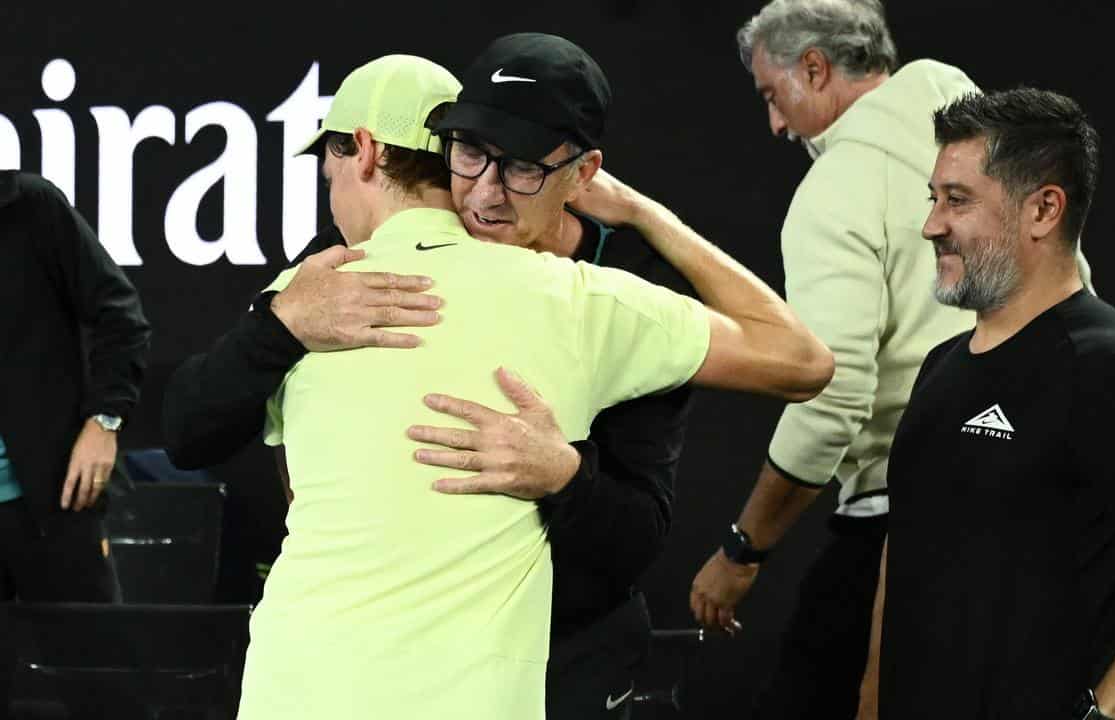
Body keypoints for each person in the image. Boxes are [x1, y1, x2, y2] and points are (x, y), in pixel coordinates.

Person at [162, 33, 772, 719]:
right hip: (384, 668)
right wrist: (278, 328)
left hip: (565, 653)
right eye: (470, 157)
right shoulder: (331, 274)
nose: (485, 193)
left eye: (515, 167)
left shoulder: (609, 293)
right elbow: (207, 433)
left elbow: (636, 535)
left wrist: (564, 474)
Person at [687, 2, 1050, 716]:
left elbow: (830, 395)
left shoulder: (836, 190)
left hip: (909, 513)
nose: (777, 126)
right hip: (1042, 506)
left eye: (773, 96)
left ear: (816, 68)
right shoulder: (994, 145)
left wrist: (741, 550)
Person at [855, 87, 1115, 720]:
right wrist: (871, 699)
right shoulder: (939, 368)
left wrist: (1105, 713)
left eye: (957, 200)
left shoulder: (1114, 367)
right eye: (934, 199)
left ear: (1042, 210)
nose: (931, 224)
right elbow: (905, 550)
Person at [0, 170, 150, 707]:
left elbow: (121, 318)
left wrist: (105, 420)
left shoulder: (29, 207)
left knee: (104, 688)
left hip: (51, 500)